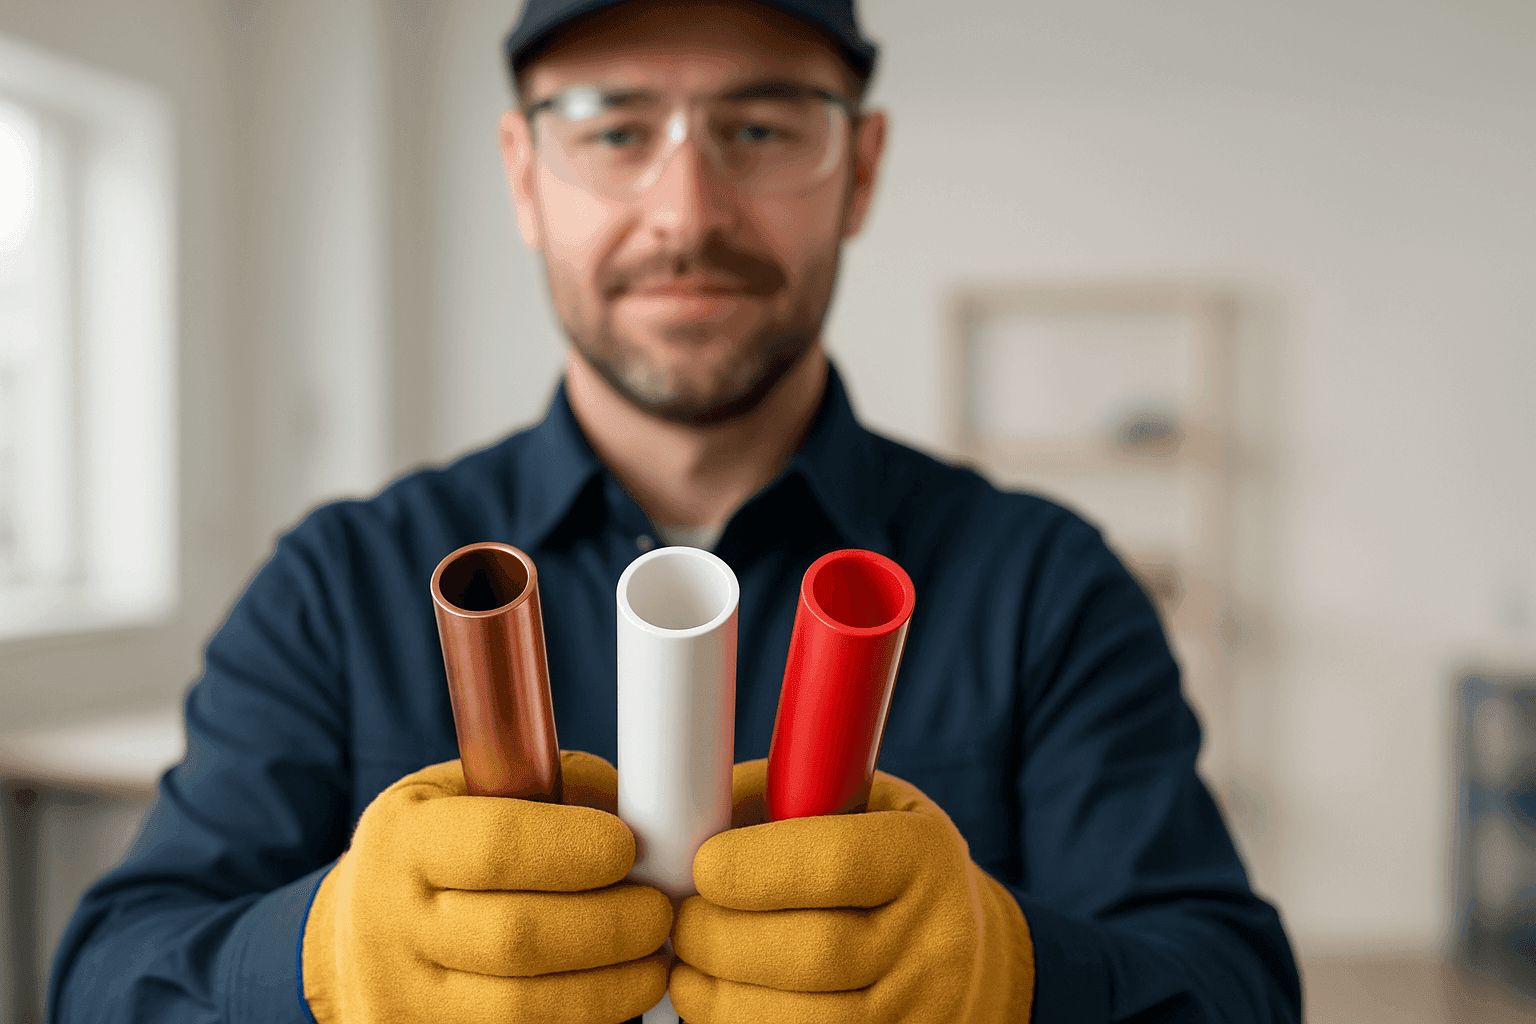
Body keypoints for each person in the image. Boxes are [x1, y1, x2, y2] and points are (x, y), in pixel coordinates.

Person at [49, 1, 1302, 1021]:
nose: (689, 210)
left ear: (860, 170)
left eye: (761, 129)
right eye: (611, 128)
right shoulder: (340, 583)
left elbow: (1237, 985)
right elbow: (108, 977)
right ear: (524, 175)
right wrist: (322, 955)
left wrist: (1015, 971)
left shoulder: (1044, 583)